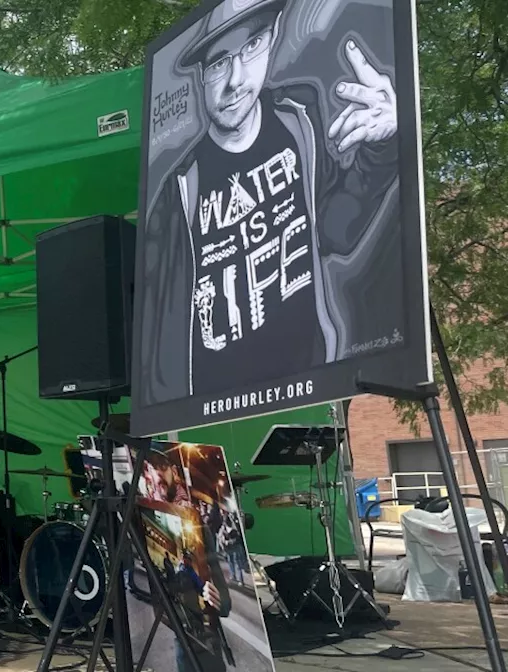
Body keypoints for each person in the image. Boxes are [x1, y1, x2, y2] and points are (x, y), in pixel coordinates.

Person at [138, 0, 401, 405]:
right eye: (219, 63)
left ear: (273, 38)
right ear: (200, 77)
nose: (236, 79)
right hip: (215, 411)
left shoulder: (300, 122)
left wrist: (382, 146)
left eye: (252, 47)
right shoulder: (176, 196)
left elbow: (336, 230)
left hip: (312, 385)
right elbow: (160, 348)